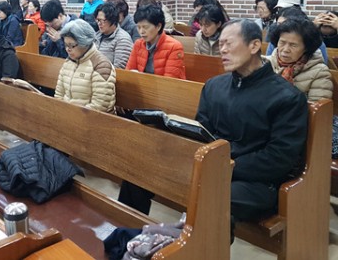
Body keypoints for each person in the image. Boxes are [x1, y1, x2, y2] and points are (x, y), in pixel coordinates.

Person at [120, 19, 308, 227]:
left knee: (210, 196)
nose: (222, 50)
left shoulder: (287, 97)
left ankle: (190, 244)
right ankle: (127, 236)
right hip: (211, 165)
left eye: (229, 43)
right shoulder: (214, 86)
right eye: (221, 44)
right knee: (139, 171)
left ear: (254, 45)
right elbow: (201, 131)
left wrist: (223, 166)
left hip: (255, 181)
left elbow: (279, 158)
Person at [54, 19, 116, 113]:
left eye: (72, 45)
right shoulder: (68, 62)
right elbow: (59, 95)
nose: (67, 49)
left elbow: (99, 106)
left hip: (92, 119)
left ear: (85, 43)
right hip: (68, 115)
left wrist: (72, 116)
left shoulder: (101, 66)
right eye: (66, 45)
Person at [266, 17, 332, 101]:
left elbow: (318, 106)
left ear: (306, 48)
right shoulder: (265, 63)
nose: (285, 49)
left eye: (293, 45)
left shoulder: (319, 72)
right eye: (282, 42)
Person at [126, 5, 186, 79]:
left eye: (145, 27)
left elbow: (169, 80)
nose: (141, 32)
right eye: (138, 27)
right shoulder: (138, 44)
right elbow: (129, 72)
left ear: (158, 26)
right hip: (142, 84)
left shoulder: (174, 47)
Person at [94, 3, 133, 68]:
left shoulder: (123, 39)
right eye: (98, 20)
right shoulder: (97, 36)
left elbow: (119, 68)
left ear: (112, 20)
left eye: (102, 20)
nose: (99, 23)